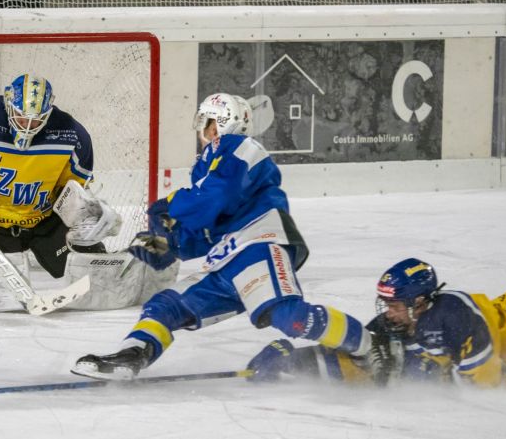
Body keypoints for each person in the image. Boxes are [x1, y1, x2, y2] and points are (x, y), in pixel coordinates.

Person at [71, 93, 375, 380]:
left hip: (259, 244)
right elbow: (201, 235)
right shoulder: (208, 167)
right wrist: (156, 244)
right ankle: (132, 356)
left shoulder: (242, 147)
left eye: (207, 122)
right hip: (227, 260)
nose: (203, 130)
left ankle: (370, 348)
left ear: (222, 122)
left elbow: (219, 198)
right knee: (165, 306)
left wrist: (172, 203)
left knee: (288, 317)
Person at [0, 73, 175, 312]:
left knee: (95, 279)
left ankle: (146, 262)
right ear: (8, 104)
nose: (27, 126)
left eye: (36, 120)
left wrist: (89, 215)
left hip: (44, 222)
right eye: (21, 116)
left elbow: (73, 189)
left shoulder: (71, 135)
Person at [246, 257, 506, 387]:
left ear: (420, 302)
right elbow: (355, 360)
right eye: (385, 304)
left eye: (396, 305)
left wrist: (425, 373)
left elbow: (487, 380)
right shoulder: (391, 327)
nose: (389, 313)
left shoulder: (452, 312)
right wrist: (290, 361)